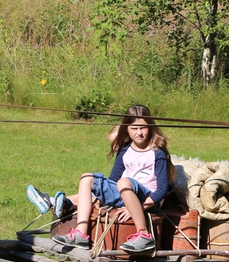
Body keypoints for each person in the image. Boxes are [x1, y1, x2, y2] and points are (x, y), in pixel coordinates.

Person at [31, 105, 172, 254]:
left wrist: (138, 207)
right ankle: (80, 234)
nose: (139, 133)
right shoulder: (125, 150)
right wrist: (101, 196)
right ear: (127, 129)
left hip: (147, 198)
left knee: (124, 182)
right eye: (134, 128)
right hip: (126, 193)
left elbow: (162, 189)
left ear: (150, 127)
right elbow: (113, 180)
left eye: (142, 128)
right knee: (87, 178)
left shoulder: (157, 152)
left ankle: (143, 235)